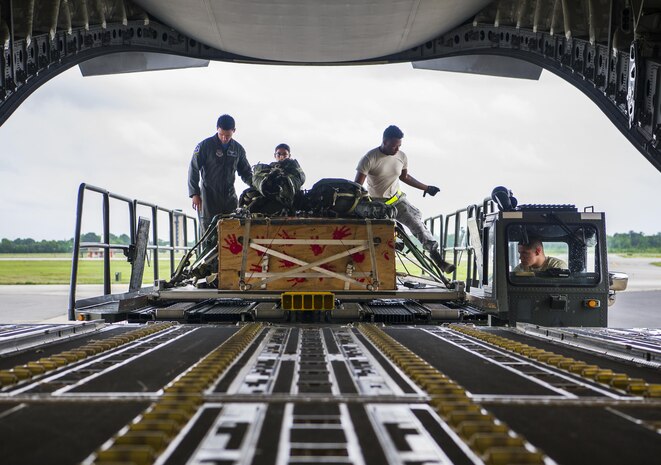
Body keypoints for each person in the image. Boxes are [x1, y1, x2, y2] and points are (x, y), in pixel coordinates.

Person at [354, 125, 455, 273]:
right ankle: (396, 246)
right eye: (394, 146)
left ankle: (438, 259)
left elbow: (405, 177)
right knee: (386, 234)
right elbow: (357, 186)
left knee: (417, 225)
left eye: (399, 145)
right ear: (385, 141)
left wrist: (426, 188)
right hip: (377, 204)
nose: (397, 149)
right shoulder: (370, 158)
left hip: (397, 200)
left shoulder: (401, 156)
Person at [188, 114, 252, 233]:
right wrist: (194, 194)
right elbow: (193, 168)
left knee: (231, 233)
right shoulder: (204, 146)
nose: (224, 138)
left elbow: (246, 172)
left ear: (234, 131)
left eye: (228, 135)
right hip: (208, 197)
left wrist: (257, 186)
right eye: (221, 134)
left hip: (229, 197)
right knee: (208, 233)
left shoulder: (238, 149)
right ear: (217, 128)